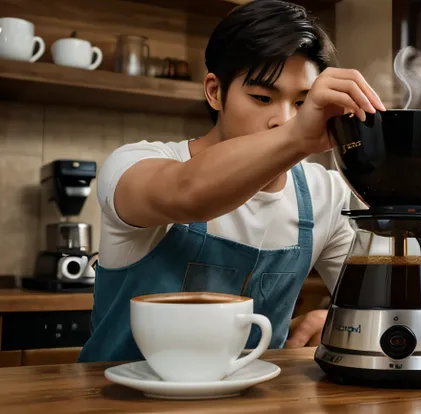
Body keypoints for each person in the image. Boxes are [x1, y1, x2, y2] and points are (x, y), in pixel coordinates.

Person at [77, 0, 385, 363]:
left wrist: (337, 320)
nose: (283, 120)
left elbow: (374, 305)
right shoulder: (133, 164)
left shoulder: (326, 195)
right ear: (214, 91)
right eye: (262, 97)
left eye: (303, 103)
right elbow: (187, 192)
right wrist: (297, 137)